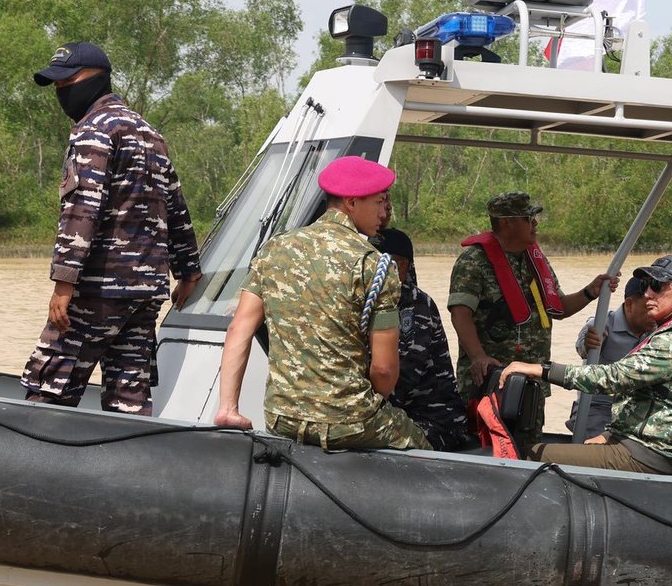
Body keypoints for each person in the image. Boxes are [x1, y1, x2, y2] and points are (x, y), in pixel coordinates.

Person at [21, 42, 202, 416]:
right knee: (129, 397)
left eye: (67, 81)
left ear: (96, 79)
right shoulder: (151, 133)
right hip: (145, 291)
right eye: (55, 84)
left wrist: (64, 284)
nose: (60, 91)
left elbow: (81, 210)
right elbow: (176, 207)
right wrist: (188, 271)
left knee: (50, 388)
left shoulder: (93, 131)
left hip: (99, 288)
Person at [213, 157, 429, 451]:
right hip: (349, 419)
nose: (384, 212)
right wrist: (369, 407)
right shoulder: (374, 265)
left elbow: (239, 328)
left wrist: (228, 408)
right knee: (423, 451)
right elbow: (384, 370)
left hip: (281, 417)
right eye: (379, 202)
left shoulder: (275, 249)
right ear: (351, 203)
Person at [498, 256, 672, 474]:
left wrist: (542, 369)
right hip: (645, 443)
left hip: (649, 455)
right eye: (647, 285)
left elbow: (614, 377)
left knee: (532, 456)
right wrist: (610, 435)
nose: (648, 293)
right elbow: (651, 398)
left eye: (657, 285)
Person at [447, 191, 616, 449]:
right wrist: (478, 356)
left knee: (526, 447)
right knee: (487, 448)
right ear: (506, 223)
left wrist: (589, 292)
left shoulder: (534, 259)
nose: (535, 224)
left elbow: (558, 308)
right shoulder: (474, 261)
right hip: (492, 381)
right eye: (528, 218)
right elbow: (460, 313)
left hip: (533, 381)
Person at [372, 228, 475, 451]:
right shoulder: (375, 302)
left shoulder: (415, 305)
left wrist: (361, 406)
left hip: (437, 420)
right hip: (400, 414)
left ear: (401, 267)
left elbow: (401, 377)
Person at [567, 274, 656, 440]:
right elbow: (582, 345)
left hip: (638, 408)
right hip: (599, 407)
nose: (654, 315)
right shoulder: (601, 324)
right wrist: (589, 343)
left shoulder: (659, 331)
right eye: (649, 309)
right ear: (629, 304)